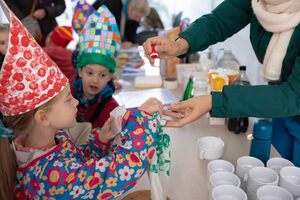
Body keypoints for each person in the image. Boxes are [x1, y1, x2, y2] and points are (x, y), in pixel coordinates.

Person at [0, 7, 164, 199]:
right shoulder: (50, 177)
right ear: (43, 117)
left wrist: (101, 139)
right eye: (68, 99)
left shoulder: (50, 139)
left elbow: (79, 164)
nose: (76, 102)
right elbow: (121, 169)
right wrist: (142, 119)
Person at [143, 0, 300, 167]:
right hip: (281, 108)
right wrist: (179, 45)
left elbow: (293, 95)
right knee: (277, 172)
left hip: (289, 99)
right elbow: (219, 21)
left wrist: (214, 101)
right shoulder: (260, 1)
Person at [71, 5, 121, 129]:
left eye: (102, 75)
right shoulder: (68, 97)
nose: (95, 80)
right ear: (80, 71)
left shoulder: (111, 109)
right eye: (90, 73)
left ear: (110, 76)